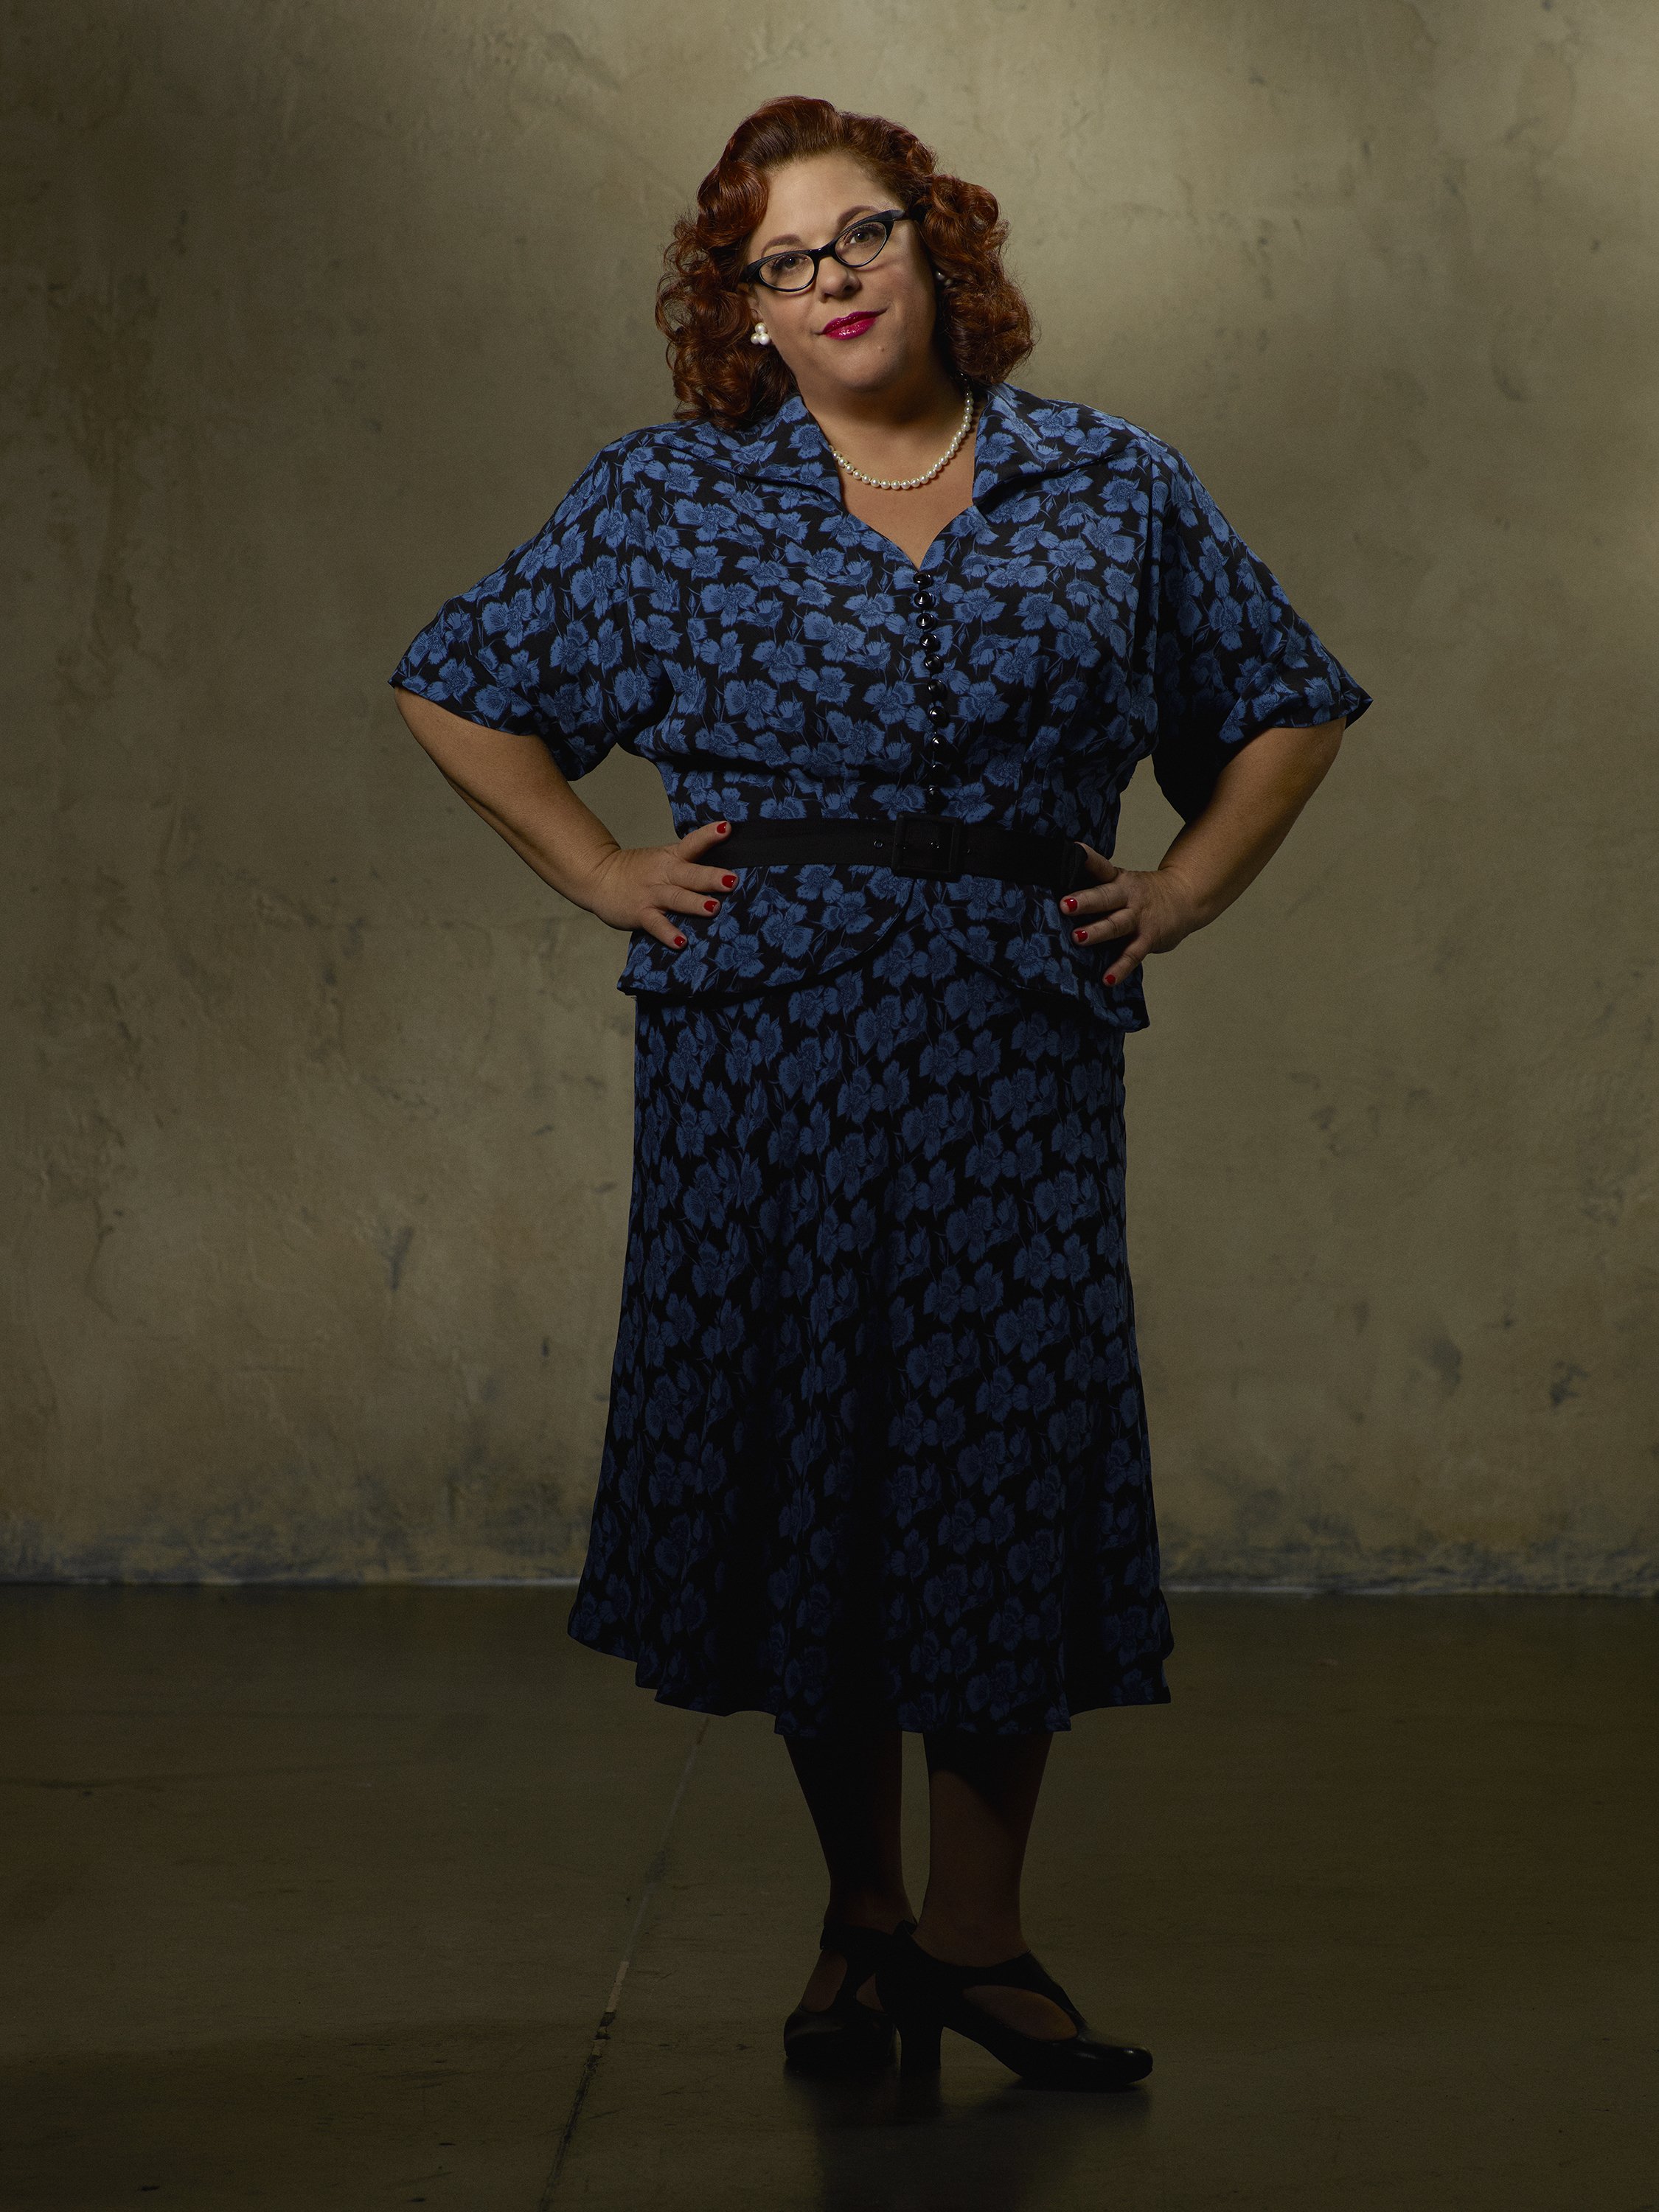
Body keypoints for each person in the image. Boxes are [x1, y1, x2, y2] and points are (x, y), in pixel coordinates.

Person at [390, 95, 1370, 2092]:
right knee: (811, 1461)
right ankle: (861, 1917)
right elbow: (455, 680)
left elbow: (1285, 703)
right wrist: (598, 871)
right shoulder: (669, 495)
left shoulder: (1110, 482)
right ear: (742, 308)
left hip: (1014, 1031)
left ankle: (980, 1941)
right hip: (762, 1042)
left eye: (862, 236)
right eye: (781, 260)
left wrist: (1184, 888)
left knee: (997, 1456)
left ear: (937, 248)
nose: (829, 279)